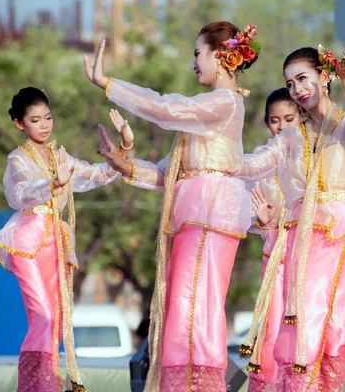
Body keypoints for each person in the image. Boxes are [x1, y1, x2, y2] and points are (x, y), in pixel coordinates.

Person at [85, 22, 260, 391]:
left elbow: (166, 109)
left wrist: (109, 84)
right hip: (197, 213)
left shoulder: (224, 102)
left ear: (220, 54)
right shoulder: (202, 119)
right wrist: (122, 163)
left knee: (193, 310)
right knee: (183, 310)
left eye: (198, 53)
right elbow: (166, 175)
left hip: (210, 213)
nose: (194, 63)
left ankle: (202, 386)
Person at [235, 46, 345, 391]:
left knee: (339, 334)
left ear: (325, 76)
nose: (297, 90)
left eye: (302, 79)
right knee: (304, 332)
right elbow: (251, 164)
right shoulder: (289, 138)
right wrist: (215, 148)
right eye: (290, 84)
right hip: (306, 241)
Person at [0, 87, 132, 392]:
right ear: (19, 124)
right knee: (42, 316)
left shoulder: (59, 156)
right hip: (27, 244)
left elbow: (100, 174)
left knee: (53, 323)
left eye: (48, 118)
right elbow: (20, 194)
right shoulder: (17, 159)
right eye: (35, 120)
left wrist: (124, 146)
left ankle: (48, 385)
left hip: (54, 244)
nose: (44, 125)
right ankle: (35, 387)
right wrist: (54, 183)